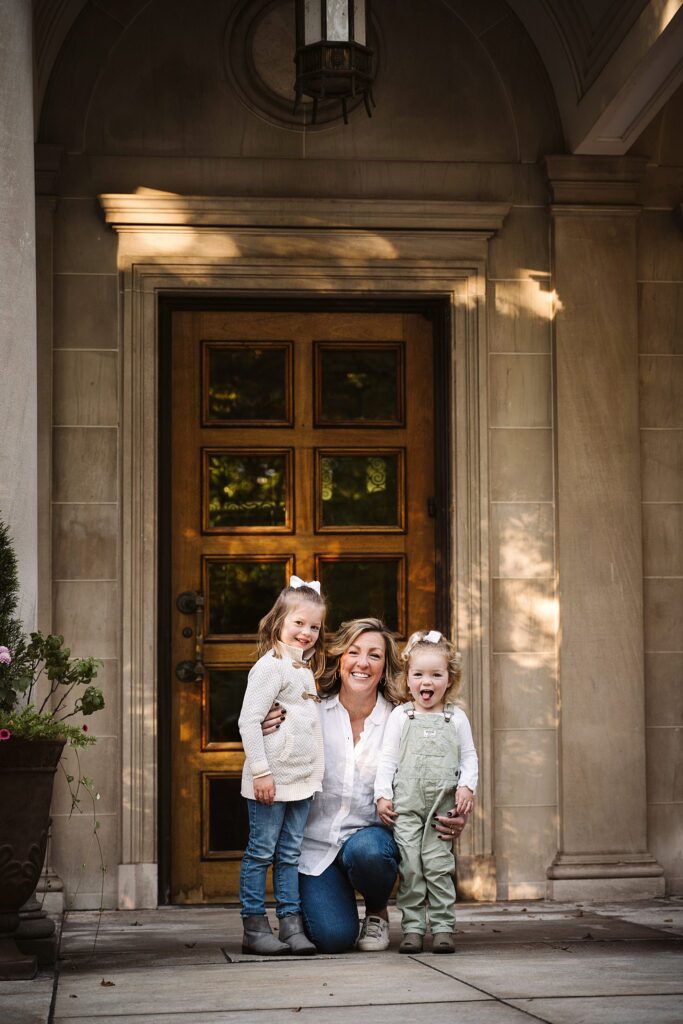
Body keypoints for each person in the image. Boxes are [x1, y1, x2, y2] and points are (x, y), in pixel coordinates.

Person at [262, 617, 470, 954]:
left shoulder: (403, 719)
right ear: (340, 658)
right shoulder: (310, 711)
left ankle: (376, 909)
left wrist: (454, 812)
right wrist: (266, 723)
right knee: (334, 939)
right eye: (354, 652)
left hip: (371, 841)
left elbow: (441, 770)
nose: (362, 663)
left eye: (374, 655)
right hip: (316, 849)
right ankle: (330, 899)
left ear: (386, 665)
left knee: (369, 852)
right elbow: (271, 752)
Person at [238, 576, 326, 956]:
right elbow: (248, 720)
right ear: (279, 623)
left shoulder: (304, 668)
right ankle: (255, 926)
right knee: (261, 850)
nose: (307, 632)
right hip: (270, 780)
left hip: (300, 779)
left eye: (314, 626)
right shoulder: (270, 667)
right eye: (299, 623)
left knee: (290, 853)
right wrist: (260, 771)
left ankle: (290, 923)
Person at [375, 630, 478, 954]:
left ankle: (444, 926)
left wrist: (466, 787)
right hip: (406, 805)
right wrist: (382, 795)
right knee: (410, 866)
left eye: (436, 674)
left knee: (437, 865)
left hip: (441, 807)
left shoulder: (456, 718)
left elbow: (469, 757)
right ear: (407, 679)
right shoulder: (401, 716)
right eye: (419, 674)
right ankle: (413, 928)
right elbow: (388, 759)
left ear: (450, 679)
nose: (427, 682)